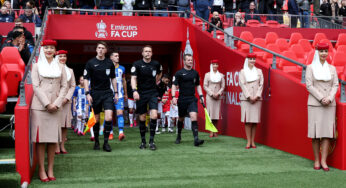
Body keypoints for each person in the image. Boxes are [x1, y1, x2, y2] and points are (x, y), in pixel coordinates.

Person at [30, 40, 67, 182]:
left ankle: (50, 168)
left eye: (51, 48)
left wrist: (56, 104)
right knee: (41, 140)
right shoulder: (36, 66)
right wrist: (47, 103)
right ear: (42, 49)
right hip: (40, 107)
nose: (49, 50)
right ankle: (41, 169)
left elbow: (64, 86)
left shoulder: (60, 66)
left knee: (52, 140)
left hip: (56, 107)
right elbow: (35, 86)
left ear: (55, 50)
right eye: (46, 48)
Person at [305, 43, 338, 171]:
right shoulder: (310, 68)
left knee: (326, 134)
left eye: (325, 51)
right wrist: (321, 98)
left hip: (329, 104)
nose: (323, 53)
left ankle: (324, 161)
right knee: (315, 134)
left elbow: (335, 85)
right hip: (315, 103)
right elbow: (309, 85)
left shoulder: (332, 68)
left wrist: (329, 98)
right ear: (317, 52)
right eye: (321, 51)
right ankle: (317, 160)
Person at [83, 41, 118, 152]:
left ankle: (106, 143)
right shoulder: (90, 63)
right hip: (95, 93)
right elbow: (85, 79)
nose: (100, 50)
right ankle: (97, 141)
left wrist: (116, 92)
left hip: (107, 92)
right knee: (96, 119)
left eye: (103, 48)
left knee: (108, 117)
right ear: (96, 49)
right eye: (99, 48)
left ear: (106, 50)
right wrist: (87, 93)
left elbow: (113, 78)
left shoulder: (109, 63)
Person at [131, 45, 162, 150]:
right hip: (141, 93)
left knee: (154, 115)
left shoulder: (156, 64)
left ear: (152, 53)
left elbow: (160, 73)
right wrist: (134, 90)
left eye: (149, 51)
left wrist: (156, 81)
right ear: (142, 53)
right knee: (142, 117)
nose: (148, 53)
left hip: (153, 92)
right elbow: (133, 78)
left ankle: (152, 142)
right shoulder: (137, 64)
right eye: (146, 51)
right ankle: (143, 141)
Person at [172, 54, 205, 146]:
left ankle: (196, 139)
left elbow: (198, 85)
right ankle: (178, 135)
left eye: (191, 60)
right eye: (188, 60)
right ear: (184, 61)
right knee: (181, 118)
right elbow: (174, 85)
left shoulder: (195, 73)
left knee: (194, 116)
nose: (190, 61)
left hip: (192, 99)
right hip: (182, 99)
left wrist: (201, 96)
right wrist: (174, 96)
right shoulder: (179, 73)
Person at [239, 53, 263, 149]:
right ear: (247, 60)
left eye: (254, 59)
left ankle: (253, 141)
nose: (252, 60)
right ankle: (248, 141)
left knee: (254, 121)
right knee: (248, 121)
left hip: (257, 99)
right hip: (246, 99)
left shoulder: (259, 71)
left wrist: (257, 96)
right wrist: (249, 97)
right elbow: (242, 84)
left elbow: (261, 84)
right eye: (250, 59)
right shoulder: (242, 72)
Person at [55, 50, 76, 154]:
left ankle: (62, 146)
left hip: (66, 102)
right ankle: (55, 146)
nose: (62, 58)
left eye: (64, 56)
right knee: (55, 124)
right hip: (54, 101)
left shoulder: (70, 71)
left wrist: (66, 98)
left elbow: (72, 86)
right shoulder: (52, 69)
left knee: (64, 124)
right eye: (60, 56)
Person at [203, 59, 225, 137]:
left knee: (216, 114)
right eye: (213, 64)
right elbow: (205, 86)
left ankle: (215, 130)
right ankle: (211, 130)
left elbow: (223, 86)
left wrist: (218, 93)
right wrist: (212, 94)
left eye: (216, 64)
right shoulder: (207, 75)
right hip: (210, 97)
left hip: (218, 97)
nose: (215, 66)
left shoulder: (221, 75)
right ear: (211, 65)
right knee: (210, 114)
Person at [109, 51, 127, 141]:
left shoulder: (122, 68)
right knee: (110, 115)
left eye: (118, 56)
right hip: (109, 95)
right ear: (111, 58)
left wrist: (126, 94)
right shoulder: (107, 67)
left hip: (119, 95)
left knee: (120, 113)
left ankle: (121, 133)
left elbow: (124, 81)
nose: (118, 57)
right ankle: (110, 133)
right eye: (115, 56)